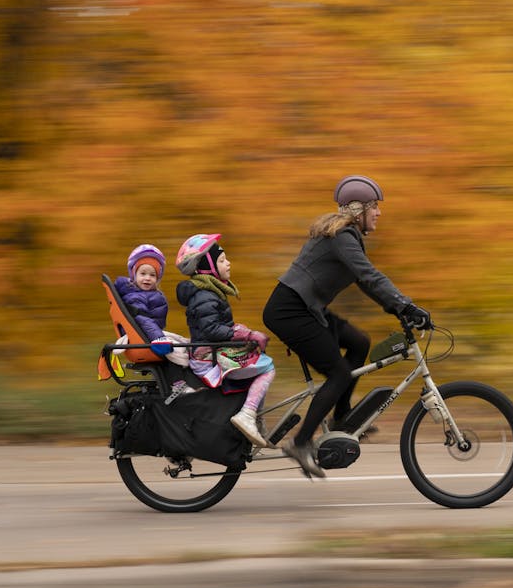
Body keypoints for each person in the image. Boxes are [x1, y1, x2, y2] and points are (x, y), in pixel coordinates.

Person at [263, 175, 431, 478]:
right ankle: (300, 443)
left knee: (359, 342)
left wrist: (397, 308)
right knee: (339, 373)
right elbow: (369, 276)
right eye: (374, 207)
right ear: (357, 209)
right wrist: (406, 305)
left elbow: (364, 281)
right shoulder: (342, 236)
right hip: (291, 312)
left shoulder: (345, 236)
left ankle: (342, 418)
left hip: (306, 309)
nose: (379, 213)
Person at [175, 233, 276, 448]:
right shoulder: (205, 295)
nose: (228, 263)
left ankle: (253, 417)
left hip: (210, 353)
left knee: (259, 361)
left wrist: (243, 332)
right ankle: (248, 416)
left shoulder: (209, 291)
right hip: (208, 360)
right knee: (267, 367)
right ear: (208, 267)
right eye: (221, 260)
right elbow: (212, 330)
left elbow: (219, 326)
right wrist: (247, 335)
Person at [115, 244, 173, 357]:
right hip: (143, 339)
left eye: (152, 275)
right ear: (134, 274)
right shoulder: (135, 296)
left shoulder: (151, 294)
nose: (147, 278)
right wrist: (159, 338)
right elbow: (142, 319)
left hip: (149, 335)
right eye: (143, 273)